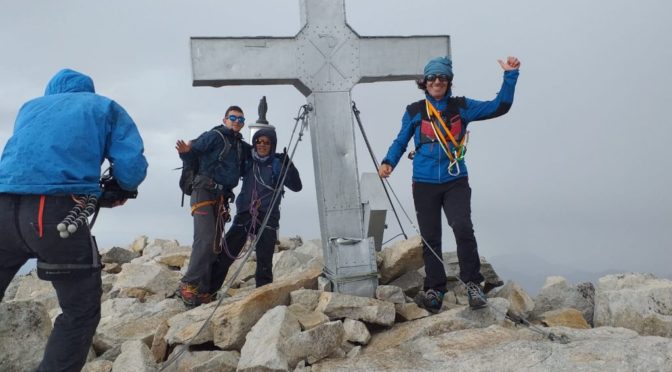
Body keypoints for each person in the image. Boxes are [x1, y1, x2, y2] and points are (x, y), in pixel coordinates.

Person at [0, 68, 148, 371]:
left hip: (3, 204)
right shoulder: (102, 106)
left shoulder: (29, 108)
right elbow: (131, 166)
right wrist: (122, 187)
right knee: (80, 311)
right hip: (52, 214)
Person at [379, 55, 521, 312]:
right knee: (430, 237)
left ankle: (473, 285)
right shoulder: (414, 111)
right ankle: (435, 289)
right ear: (424, 82)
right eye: (432, 77)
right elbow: (401, 140)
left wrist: (510, 76)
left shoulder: (462, 106)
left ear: (449, 81)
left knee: (462, 226)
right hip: (423, 182)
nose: (437, 82)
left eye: (442, 77)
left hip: (455, 179)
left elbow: (499, 106)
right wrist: (389, 161)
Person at [210, 127, 302, 291]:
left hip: (268, 217)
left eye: (267, 142)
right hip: (245, 215)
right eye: (258, 141)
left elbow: (297, 186)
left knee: (264, 262)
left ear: (272, 145)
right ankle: (208, 291)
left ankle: (263, 297)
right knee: (225, 255)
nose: (262, 145)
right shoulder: (247, 160)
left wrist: (290, 165)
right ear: (254, 143)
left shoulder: (277, 164)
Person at [175, 106, 250, 307]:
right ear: (224, 119)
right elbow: (193, 152)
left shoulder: (240, 146)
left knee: (215, 245)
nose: (237, 121)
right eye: (233, 117)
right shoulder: (215, 136)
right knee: (206, 238)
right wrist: (185, 154)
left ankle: (203, 290)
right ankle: (187, 285)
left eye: (241, 119)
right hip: (204, 191)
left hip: (221, 197)